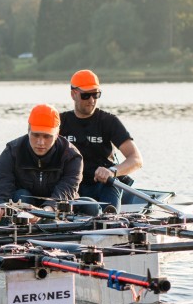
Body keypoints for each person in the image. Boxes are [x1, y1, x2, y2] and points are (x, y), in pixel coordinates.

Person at [59, 69, 143, 211]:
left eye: (96, 94)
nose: (91, 100)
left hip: (102, 185)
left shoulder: (108, 121)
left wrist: (112, 171)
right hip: (70, 187)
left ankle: (110, 219)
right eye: (86, 95)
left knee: (111, 185)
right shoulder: (60, 122)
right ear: (73, 94)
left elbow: (136, 159)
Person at [0, 103, 83, 223]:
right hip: (21, 205)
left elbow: (65, 192)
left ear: (57, 134)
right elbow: (2, 189)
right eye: (36, 135)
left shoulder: (72, 156)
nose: (40, 142)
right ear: (28, 130)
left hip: (54, 208)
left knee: (90, 206)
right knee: (21, 195)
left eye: (47, 136)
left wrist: (43, 213)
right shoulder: (11, 152)